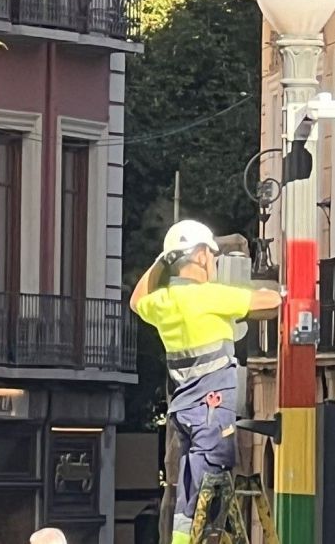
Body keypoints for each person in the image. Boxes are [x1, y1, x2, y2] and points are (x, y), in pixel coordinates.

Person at [131, 220, 283, 544]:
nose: (213, 261)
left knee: (191, 480)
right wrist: (284, 291)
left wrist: (163, 260)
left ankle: (182, 538)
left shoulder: (163, 303)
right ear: (200, 255)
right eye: (212, 255)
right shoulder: (209, 296)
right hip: (212, 409)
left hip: (184, 411)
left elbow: (136, 299)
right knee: (211, 475)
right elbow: (270, 303)